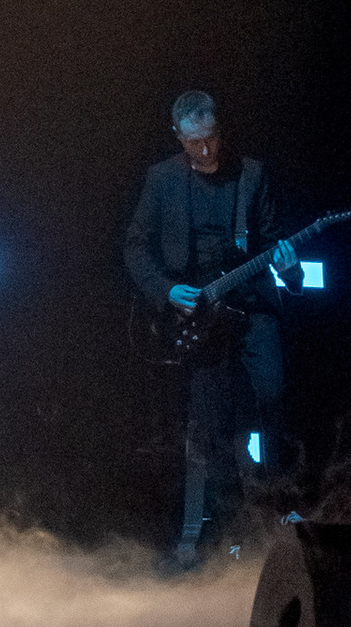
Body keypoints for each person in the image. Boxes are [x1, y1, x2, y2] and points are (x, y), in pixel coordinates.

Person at [121, 90, 297, 562]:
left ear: (221, 130)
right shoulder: (161, 179)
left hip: (250, 304)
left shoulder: (251, 174)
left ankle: (280, 508)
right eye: (193, 142)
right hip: (197, 315)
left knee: (274, 395)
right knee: (212, 425)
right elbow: (134, 247)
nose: (205, 150)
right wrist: (165, 291)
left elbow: (273, 240)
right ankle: (230, 531)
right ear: (178, 137)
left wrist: (290, 268)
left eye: (212, 138)